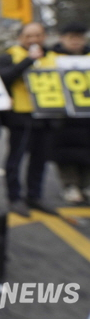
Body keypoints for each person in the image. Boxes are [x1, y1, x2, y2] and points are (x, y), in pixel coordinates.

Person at [0, 22, 57, 216]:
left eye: (38, 35)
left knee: (40, 159)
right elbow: (4, 78)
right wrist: (28, 61)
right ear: (20, 38)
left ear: (44, 36)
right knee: (16, 159)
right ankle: (14, 197)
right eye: (29, 36)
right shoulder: (9, 56)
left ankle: (35, 195)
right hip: (21, 117)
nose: (34, 40)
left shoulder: (53, 57)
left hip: (47, 115)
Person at [50, 22, 90, 204]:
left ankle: (86, 184)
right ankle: (70, 185)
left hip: (86, 115)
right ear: (62, 38)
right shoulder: (51, 58)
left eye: (79, 37)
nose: (76, 41)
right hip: (62, 115)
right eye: (71, 37)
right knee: (65, 153)